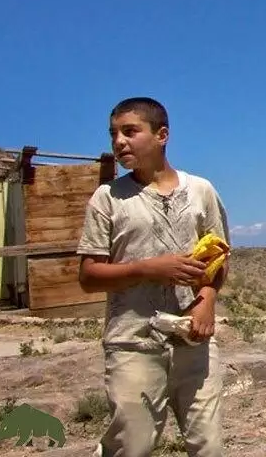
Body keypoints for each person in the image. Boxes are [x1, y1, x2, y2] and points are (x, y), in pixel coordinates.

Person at [78, 97, 230, 457]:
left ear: (162, 135)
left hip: (195, 342)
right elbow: (88, 275)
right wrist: (148, 269)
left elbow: (218, 259)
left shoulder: (200, 191)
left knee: (208, 446)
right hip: (134, 343)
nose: (118, 142)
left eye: (130, 131)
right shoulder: (108, 198)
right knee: (132, 445)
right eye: (113, 134)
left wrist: (206, 301)